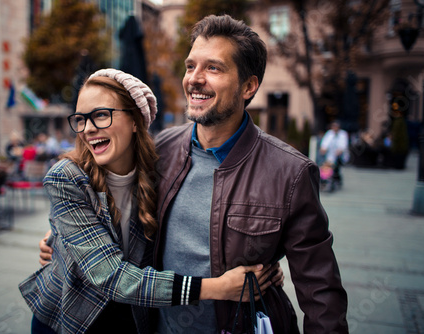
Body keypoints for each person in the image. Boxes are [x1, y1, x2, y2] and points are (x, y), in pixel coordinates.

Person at [40, 15, 347, 333]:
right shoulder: (162, 149)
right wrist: (60, 239)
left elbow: (322, 293)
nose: (194, 79)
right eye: (190, 66)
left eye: (213, 68)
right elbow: (111, 213)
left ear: (248, 86)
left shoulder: (290, 173)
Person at [20, 69, 282, 334]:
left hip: (130, 319)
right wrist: (218, 288)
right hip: (70, 318)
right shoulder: (66, 177)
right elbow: (108, 275)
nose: (88, 129)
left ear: (135, 120)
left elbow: (197, 228)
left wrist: (262, 262)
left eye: (100, 115)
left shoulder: (159, 173)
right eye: (81, 119)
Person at [319, 120, 349, 187]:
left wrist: (339, 151)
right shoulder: (329, 133)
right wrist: (323, 149)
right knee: (326, 166)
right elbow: (325, 143)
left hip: (339, 156)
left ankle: (336, 180)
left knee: (336, 168)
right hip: (329, 155)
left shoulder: (343, 134)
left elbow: (343, 145)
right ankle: (325, 179)